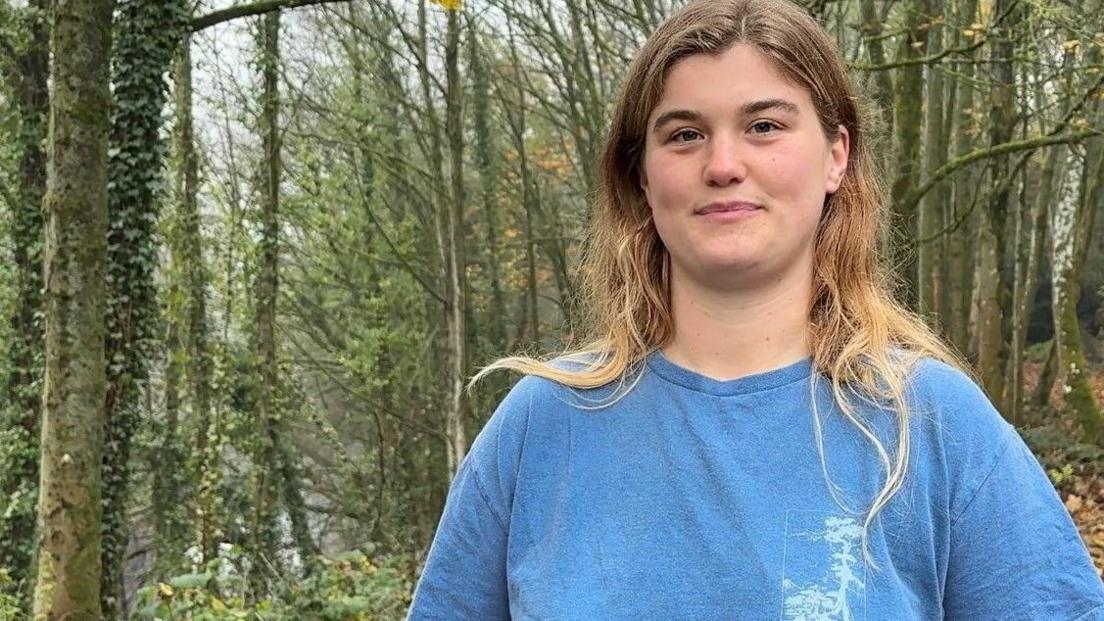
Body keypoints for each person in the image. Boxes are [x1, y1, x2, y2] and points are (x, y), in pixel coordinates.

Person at [406, 0, 1104, 618]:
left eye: (764, 125)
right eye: (684, 134)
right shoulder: (541, 427)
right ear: (641, 177)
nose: (723, 163)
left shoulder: (931, 426)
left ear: (836, 156)